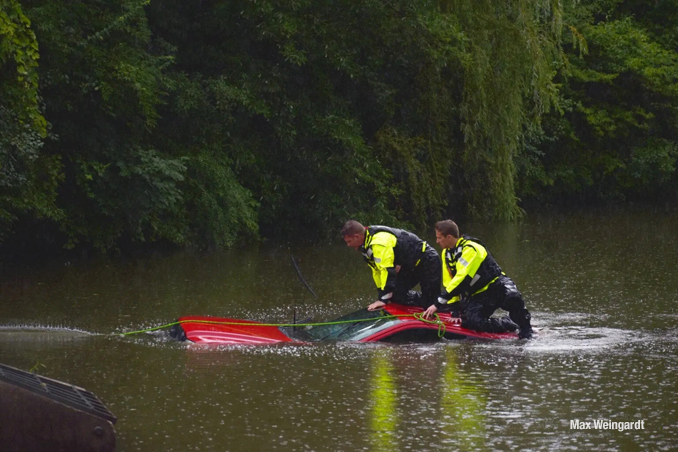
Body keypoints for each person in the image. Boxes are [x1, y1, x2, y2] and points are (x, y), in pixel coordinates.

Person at [423, 220, 534, 339]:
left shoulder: (471, 249)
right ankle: (507, 323)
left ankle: (526, 329)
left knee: (513, 297)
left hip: (496, 285)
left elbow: (462, 278)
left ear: (449, 237)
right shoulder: (447, 254)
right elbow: (450, 282)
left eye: (439, 238)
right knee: (471, 321)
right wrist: (455, 311)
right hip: (478, 294)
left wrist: (437, 304)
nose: (437, 241)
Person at [341, 220, 441, 311]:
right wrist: (382, 296)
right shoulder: (366, 244)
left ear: (357, 236)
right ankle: (426, 302)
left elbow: (387, 271)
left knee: (431, 303)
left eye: (349, 241)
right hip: (410, 264)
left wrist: (383, 300)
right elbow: (377, 271)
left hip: (427, 259)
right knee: (395, 296)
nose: (348, 245)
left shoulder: (378, 242)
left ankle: (442, 303)